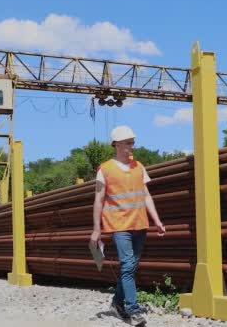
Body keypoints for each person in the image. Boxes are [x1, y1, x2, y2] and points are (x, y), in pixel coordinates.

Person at [90, 125, 165, 326]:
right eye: (127, 143)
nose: (131, 146)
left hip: (140, 223)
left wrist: (157, 221)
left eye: (133, 142)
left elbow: (146, 196)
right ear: (116, 144)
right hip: (118, 225)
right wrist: (97, 229)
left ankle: (116, 303)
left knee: (130, 267)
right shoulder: (105, 170)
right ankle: (132, 310)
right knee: (127, 265)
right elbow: (98, 199)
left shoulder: (139, 167)